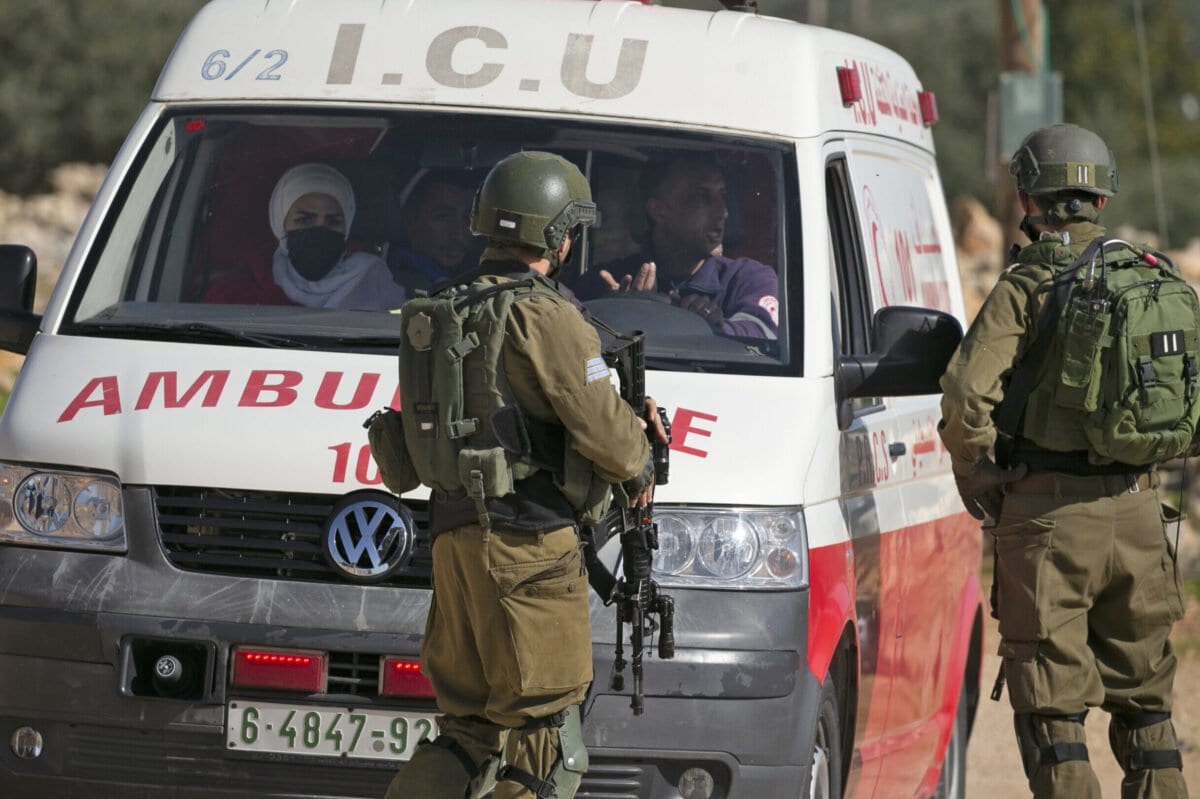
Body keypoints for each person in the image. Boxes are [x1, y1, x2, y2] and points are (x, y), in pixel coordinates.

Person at [384, 151, 667, 799]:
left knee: (469, 732)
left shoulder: (445, 309)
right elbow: (614, 443)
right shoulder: (547, 317)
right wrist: (643, 446)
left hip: (455, 546)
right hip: (530, 554)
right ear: (560, 236)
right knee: (547, 747)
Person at [938, 123, 1190, 798]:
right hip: (1141, 517)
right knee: (1148, 711)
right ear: (1102, 201)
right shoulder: (1150, 276)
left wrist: (986, 476)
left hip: (1048, 520)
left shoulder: (1028, 284)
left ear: (1027, 197)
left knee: (1055, 716)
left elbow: (965, 397)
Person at [572, 155, 779, 339]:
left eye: (722, 195)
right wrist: (620, 311)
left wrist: (711, 327)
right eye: (702, 196)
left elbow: (765, 339)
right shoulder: (603, 283)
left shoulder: (746, 279)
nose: (722, 212)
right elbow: (565, 342)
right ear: (659, 211)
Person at [205, 162, 407, 310]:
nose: (319, 229)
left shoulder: (372, 280)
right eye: (305, 220)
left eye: (333, 221)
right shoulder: (239, 290)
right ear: (280, 223)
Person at [387, 168, 479, 295]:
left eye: (467, 218)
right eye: (443, 217)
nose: (458, 235)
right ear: (410, 221)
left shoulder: (488, 279)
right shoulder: (386, 284)